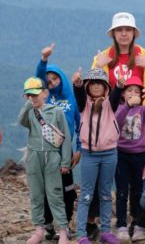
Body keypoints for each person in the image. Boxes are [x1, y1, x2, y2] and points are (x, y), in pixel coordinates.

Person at [93, 12, 145, 140]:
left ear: (134, 33)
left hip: (140, 122)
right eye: (119, 30)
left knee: (138, 159)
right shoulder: (103, 58)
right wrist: (98, 68)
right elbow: (92, 93)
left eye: (128, 30)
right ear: (113, 34)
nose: (124, 34)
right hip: (112, 119)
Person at [34, 43, 80, 240]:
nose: (52, 83)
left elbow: (80, 125)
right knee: (47, 188)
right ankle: (47, 224)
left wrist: (79, 149)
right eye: (49, 81)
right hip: (46, 149)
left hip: (66, 150)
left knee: (67, 188)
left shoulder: (72, 99)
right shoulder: (45, 98)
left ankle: (65, 224)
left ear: (61, 78)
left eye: (55, 78)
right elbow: (38, 78)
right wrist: (44, 60)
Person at [19, 77, 72, 244]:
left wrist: (65, 162)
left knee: (55, 194)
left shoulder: (56, 111)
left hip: (52, 157)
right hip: (34, 156)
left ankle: (62, 231)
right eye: (29, 95)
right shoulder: (29, 111)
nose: (33, 98)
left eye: (36, 94)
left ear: (45, 93)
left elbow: (66, 137)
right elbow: (21, 121)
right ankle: (39, 230)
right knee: (36, 194)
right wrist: (28, 104)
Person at [72, 68, 121, 244]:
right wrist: (77, 84)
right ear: (88, 86)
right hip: (89, 155)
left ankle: (106, 231)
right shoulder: (83, 104)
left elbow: (117, 95)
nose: (96, 87)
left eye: (99, 83)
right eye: (92, 83)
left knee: (106, 194)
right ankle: (81, 235)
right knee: (86, 195)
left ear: (106, 86)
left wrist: (121, 85)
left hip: (110, 153)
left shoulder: (111, 104)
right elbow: (78, 95)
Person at [113, 76, 145, 241]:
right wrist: (126, 105)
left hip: (139, 154)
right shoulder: (119, 107)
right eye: (129, 90)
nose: (133, 93)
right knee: (122, 190)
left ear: (141, 94)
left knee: (138, 190)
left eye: (137, 91)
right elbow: (116, 121)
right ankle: (121, 224)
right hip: (121, 154)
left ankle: (138, 223)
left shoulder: (143, 109)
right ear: (123, 94)